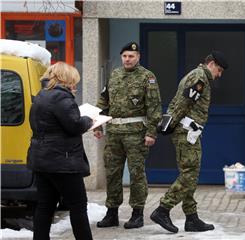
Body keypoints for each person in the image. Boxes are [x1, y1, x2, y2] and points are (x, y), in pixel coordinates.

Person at [150, 51, 228, 233]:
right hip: (186, 131)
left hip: (187, 131)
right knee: (190, 174)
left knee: (189, 173)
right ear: (212, 64)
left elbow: (179, 102)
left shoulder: (198, 76)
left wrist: (170, 123)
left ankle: (191, 218)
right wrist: (170, 124)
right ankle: (163, 209)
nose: (219, 74)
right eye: (220, 70)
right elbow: (183, 103)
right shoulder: (199, 78)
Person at [94, 41, 162, 229]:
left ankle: (137, 214)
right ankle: (112, 213)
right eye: (124, 56)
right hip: (114, 133)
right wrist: (97, 125)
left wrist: (151, 133)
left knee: (136, 174)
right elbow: (103, 101)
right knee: (112, 174)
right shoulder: (114, 75)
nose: (127, 59)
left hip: (136, 135)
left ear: (138, 57)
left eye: (131, 56)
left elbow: (154, 108)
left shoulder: (147, 77)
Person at [27, 62, 93, 240]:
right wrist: (89, 120)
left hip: (42, 160)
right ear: (67, 79)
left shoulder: (42, 95)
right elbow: (74, 126)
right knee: (78, 206)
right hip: (63, 162)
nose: (75, 84)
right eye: (74, 80)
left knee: (45, 206)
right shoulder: (62, 98)